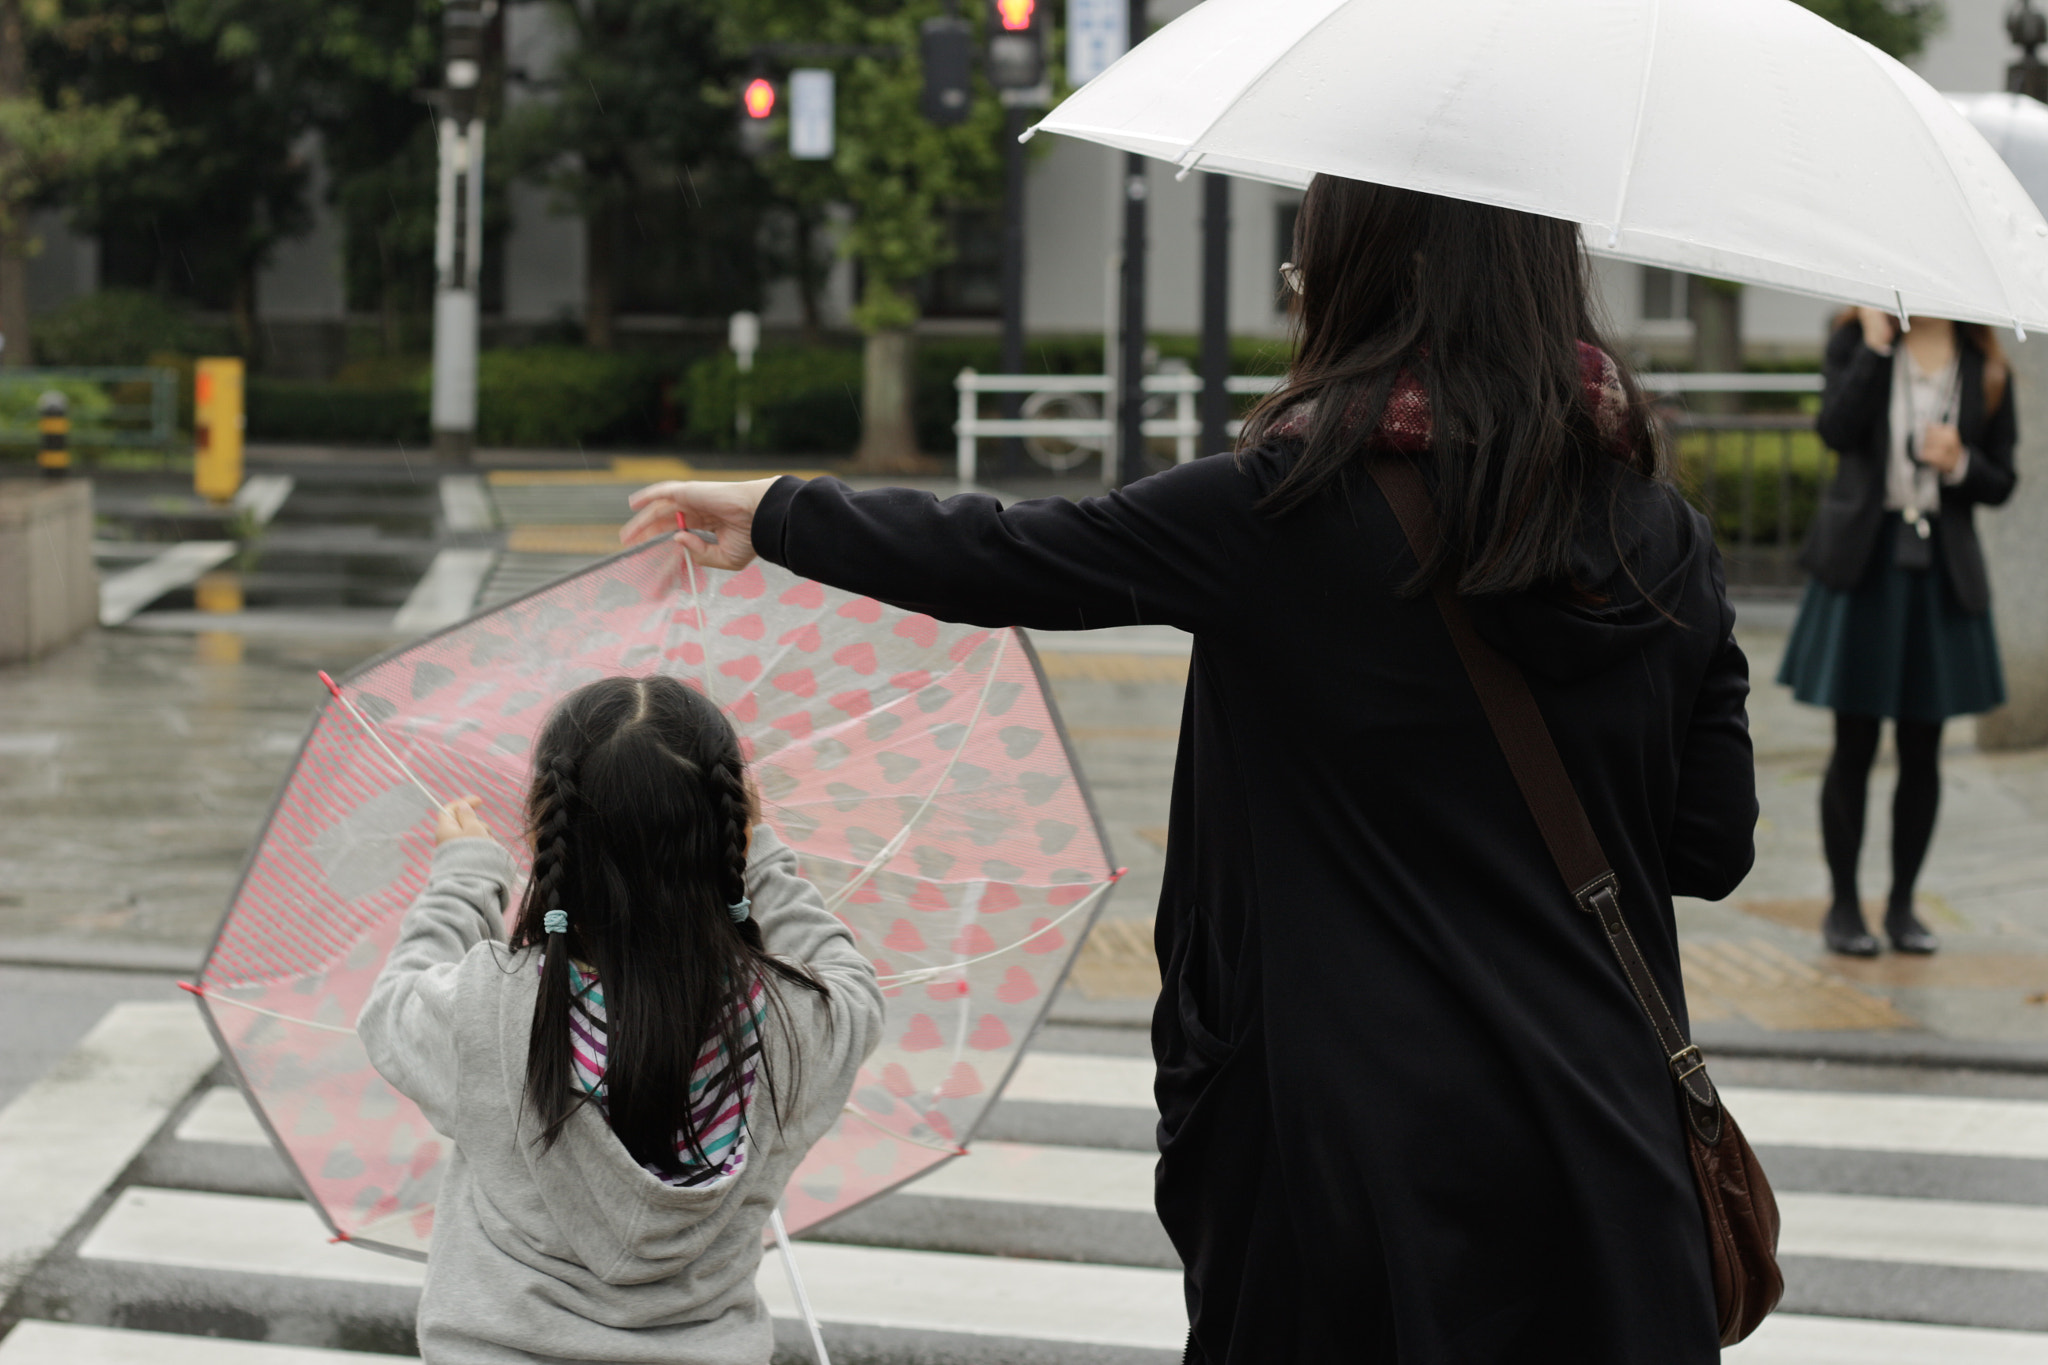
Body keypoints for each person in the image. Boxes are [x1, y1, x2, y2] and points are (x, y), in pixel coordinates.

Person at [623, 176, 1756, 1363]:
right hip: (1597, 1137)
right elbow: (1707, 848)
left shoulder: (1286, 506)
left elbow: (1015, 556)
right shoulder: (1656, 532)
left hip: (1340, 1147)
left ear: (1372, 283)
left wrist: (780, 511)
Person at [357, 675, 883, 1364]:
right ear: (727, 820)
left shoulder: (488, 1007)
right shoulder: (797, 1023)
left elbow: (391, 1006)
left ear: (549, 826)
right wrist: (759, 859)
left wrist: (465, 874)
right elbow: (853, 984)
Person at [1778, 308, 2015, 957]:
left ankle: (1905, 904)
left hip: (1940, 567)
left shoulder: (1986, 365)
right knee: (1852, 741)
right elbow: (1834, 429)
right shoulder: (1856, 340)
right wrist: (1877, 348)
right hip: (1865, 560)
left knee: (1923, 743)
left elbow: (2002, 479)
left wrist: (1962, 461)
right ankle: (1844, 904)